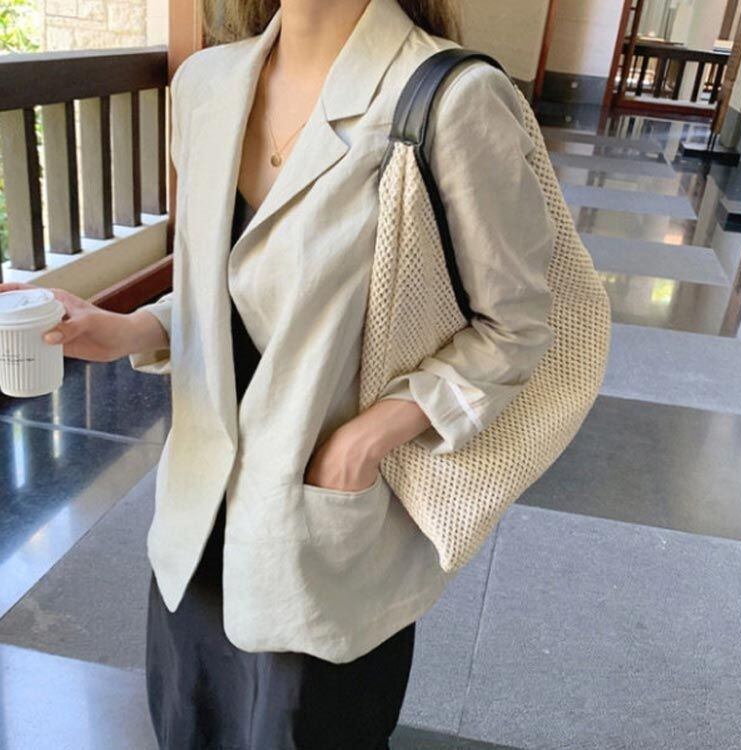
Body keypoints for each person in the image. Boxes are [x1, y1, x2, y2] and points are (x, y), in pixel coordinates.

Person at [0, 0, 556, 746]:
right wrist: (128, 328)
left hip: (319, 526)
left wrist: (361, 442)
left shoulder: (450, 98)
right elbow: (228, 285)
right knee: (188, 726)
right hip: (196, 522)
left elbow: (515, 326)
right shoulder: (205, 83)